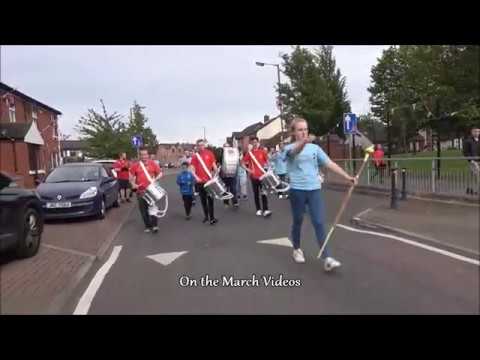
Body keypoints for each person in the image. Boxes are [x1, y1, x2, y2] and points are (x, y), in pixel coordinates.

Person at [283, 117, 357, 272]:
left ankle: (327, 258)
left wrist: (347, 177)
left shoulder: (315, 149)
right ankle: (296, 248)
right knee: (298, 221)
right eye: (300, 130)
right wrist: (304, 142)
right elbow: (295, 153)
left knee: (318, 222)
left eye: (306, 129)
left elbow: (330, 164)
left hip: (314, 190)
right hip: (297, 190)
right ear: (293, 132)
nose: (304, 132)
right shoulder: (288, 148)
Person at [129, 148, 163, 233]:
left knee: (153, 207)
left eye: (145, 154)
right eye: (142, 154)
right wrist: (133, 184)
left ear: (148, 155)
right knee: (143, 210)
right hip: (141, 191)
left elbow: (160, 173)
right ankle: (147, 225)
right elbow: (131, 177)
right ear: (140, 156)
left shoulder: (153, 163)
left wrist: (156, 179)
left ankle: (155, 225)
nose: (144, 156)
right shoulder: (135, 165)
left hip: (151, 190)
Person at [190, 139, 219, 225]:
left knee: (210, 200)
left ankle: (212, 218)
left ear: (204, 145)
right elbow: (192, 169)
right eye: (199, 145)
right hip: (200, 182)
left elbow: (214, 166)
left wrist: (216, 174)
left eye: (202, 145)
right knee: (203, 200)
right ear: (197, 146)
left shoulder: (209, 153)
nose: (201, 147)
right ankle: (206, 216)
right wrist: (196, 177)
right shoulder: (195, 156)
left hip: (209, 181)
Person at [241, 136, 272, 217]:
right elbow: (242, 163)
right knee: (256, 194)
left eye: (256, 142)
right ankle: (258, 209)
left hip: (262, 176)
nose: (255, 144)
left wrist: (269, 169)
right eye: (253, 142)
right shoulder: (249, 153)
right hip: (254, 177)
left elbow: (268, 161)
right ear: (251, 143)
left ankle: (265, 209)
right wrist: (249, 170)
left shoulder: (262, 152)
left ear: (258, 143)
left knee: (264, 193)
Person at [220, 142, 239, 208]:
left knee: (233, 189)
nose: (226, 148)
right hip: (223, 175)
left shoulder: (233, 154)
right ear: (223, 147)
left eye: (227, 146)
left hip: (233, 174)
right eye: (225, 146)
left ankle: (235, 202)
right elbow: (217, 164)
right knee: (225, 189)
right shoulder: (220, 154)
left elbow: (237, 162)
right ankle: (226, 202)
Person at [463, 126, 480, 195]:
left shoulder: (479, 141)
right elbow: (465, 152)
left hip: (479, 160)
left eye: (478, 131)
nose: (477, 133)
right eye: (475, 131)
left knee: (472, 176)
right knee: (478, 174)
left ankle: (469, 188)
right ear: (472, 132)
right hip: (473, 161)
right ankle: (477, 190)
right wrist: (471, 161)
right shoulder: (468, 141)